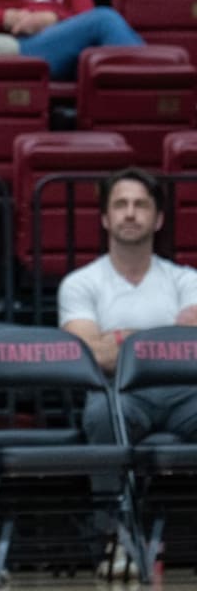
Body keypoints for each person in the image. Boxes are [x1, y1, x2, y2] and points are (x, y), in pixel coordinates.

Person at [58, 168, 197, 577]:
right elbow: (88, 354)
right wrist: (167, 337)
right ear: (105, 218)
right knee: (101, 414)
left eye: (141, 205)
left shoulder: (186, 279)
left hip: (186, 393)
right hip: (118, 393)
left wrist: (121, 338)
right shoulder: (81, 283)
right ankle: (114, 536)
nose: (130, 213)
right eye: (120, 205)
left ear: (159, 218)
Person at [0, 0, 144, 80]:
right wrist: (6, 17)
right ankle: (149, 81)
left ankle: (145, 85)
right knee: (105, 20)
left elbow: (85, 15)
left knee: (106, 26)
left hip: (64, 43)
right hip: (16, 44)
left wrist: (54, 18)